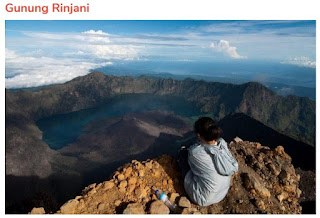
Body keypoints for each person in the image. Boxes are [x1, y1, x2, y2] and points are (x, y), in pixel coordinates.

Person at [178, 117, 238, 207]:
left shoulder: (195, 152)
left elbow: (192, 162)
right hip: (222, 194)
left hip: (203, 198)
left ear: (199, 135)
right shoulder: (222, 144)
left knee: (182, 155)